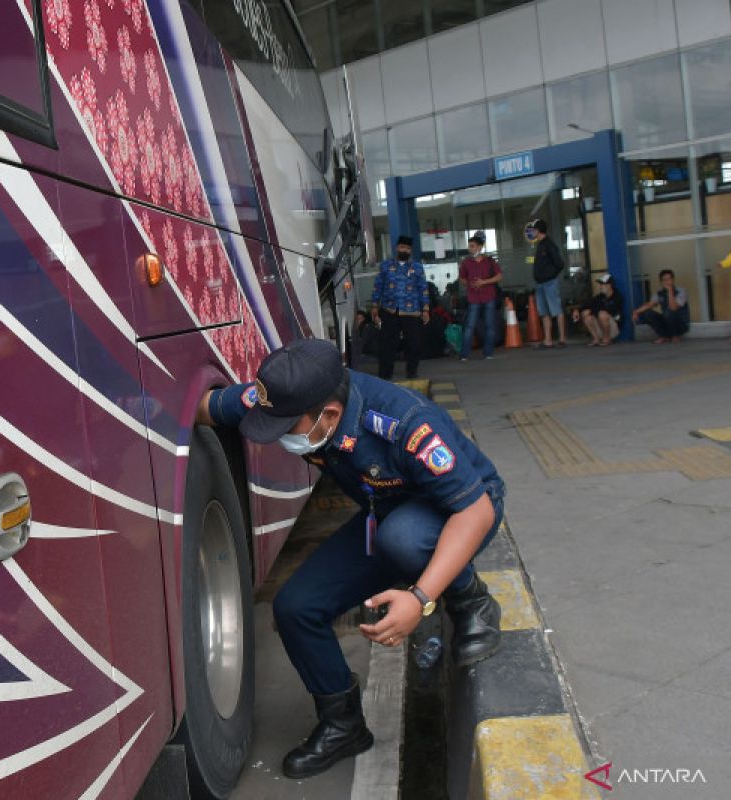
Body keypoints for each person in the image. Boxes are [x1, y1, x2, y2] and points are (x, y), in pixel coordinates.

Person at [195, 338, 505, 780]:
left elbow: (475, 511)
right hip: (386, 515)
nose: (277, 435)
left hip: (461, 508)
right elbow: (203, 406)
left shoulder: (406, 425)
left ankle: (472, 601)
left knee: (403, 539)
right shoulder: (287, 400)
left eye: (284, 427)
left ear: (331, 415)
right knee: (295, 608)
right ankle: (344, 725)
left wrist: (419, 598)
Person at [371, 235, 429, 380]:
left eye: (408, 249)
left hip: (412, 311)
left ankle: (411, 372)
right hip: (389, 310)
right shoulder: (386, 266)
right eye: (402, 247)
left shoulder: (417, 267)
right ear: (397, 248)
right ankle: (385, 376)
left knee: (414, 344)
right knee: (387, 345)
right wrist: (374, 306)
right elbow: (378, 286)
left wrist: (426, 309)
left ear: (411, 251)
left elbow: (423, 288)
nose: (405, 250)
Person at [458, 231, 502, 361]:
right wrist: (469, 284)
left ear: (479, 247)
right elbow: (462, 278)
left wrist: (484, 282)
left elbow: (499, 276)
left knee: (490, 326)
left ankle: (488, 353)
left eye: (472, 246)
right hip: (473, 298)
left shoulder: (489, 261)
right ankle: (464, 354)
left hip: (488, 297)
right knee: (470, 326)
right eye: (469, 246)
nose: (470, 249)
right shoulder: (466, 263)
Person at [526, 218, 567, 348]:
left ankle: (562, 339)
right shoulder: (540, 245)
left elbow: (559, 264)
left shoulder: (549, 245)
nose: (532, 232)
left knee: (556, 310)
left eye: (533, 230)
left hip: (549, 283)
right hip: (540, 284)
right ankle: (547, 340)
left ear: (538, 231)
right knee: (544, 312)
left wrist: (551, 276)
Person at [632, 269, 690, 343]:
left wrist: (670, 291)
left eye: (669, 279)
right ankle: (664, 336)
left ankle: (675, 335)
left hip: (681, 324)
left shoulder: (681, 291)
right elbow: (650, 304)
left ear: (673, 280)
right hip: (668, 322)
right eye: (664, 280)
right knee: (648, 314)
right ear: (661, 282)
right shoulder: (660, 293)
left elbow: (673, 307)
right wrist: (636, 312)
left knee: (668, 312)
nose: (667, 282)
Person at [573, 273, 623, 346]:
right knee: (585, 312)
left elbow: (608, 310)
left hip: (613, 329)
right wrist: (577, 310)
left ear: (609, 285)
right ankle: (596, 339)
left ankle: (607, 339)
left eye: (602, 284)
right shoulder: (600, 297)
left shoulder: (617, 297)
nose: (600, 287)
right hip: (601, 327)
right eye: (600, 284)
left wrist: (592, 311)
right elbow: (589, 304)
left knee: (602, 314)